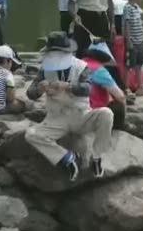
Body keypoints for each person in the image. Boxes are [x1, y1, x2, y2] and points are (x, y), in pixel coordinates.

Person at [25, 32, 113, 181]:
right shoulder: (45, 69)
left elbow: (87, 88)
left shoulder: (81, 66)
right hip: (56, 118)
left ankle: (97, 157)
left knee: (107, 114)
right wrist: (39, 89)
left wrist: (68, 86)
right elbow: (30, 93)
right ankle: (66, 157)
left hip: (81, 115)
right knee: (31, 135)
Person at [82, 42, 127, 129]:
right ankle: (118, 129)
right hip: (95, 112)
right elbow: (120, 96)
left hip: (77, 109)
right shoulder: (98, 70)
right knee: (119, 105)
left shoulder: (79, 63)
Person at [123, 0, 143, 96]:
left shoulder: (136, 8)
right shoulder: (127, 8)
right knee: (129, 66)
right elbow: (127, 25)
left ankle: (141, 87)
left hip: (140, 41)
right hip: (133, 42)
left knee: (139, 65)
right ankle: (126, 88)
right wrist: (128, 41)